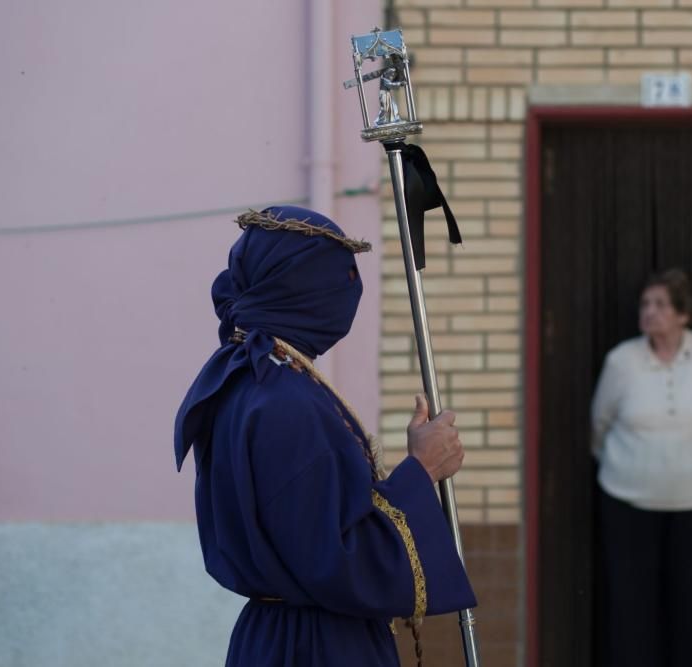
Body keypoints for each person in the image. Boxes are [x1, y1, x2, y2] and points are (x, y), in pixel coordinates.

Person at [173, 205, 476, 666]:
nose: (349, 294)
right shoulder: (284, 401)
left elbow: (310, 524)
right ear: (304, 289)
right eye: (341, 279)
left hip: (276, 637)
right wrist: (422, 469)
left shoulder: (246, 379)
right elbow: (338, 557)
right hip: (316, 646)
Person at [591, 268, 692, 667]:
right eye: (645, 304)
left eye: (660, 305)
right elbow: (599, 425)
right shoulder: (621, 360)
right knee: (631, 607)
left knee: (689, 605)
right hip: (628, 503)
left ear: (683, 314)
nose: (649, 312)